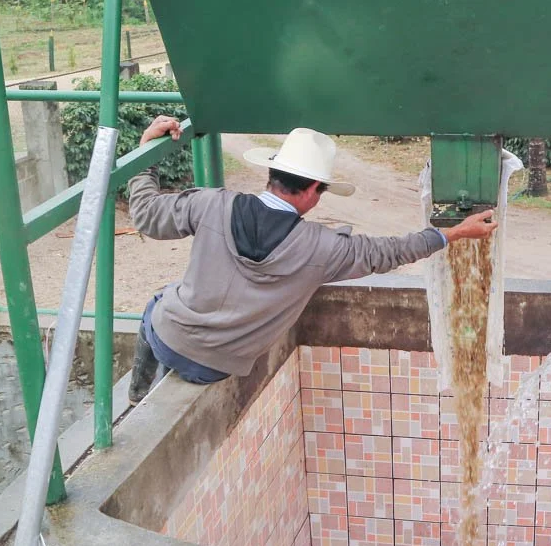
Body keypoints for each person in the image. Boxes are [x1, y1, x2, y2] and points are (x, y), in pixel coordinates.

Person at [126, 118, 498, 403]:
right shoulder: (323, 248)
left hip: (170, 339)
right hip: (219, 365)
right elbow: (391, 251)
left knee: (159, 301)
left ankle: (136, 396)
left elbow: (144, 213)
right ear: (312, 190)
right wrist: (454, 232)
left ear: (272, 174)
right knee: (167, 300)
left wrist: (146, 150)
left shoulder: (209, 204)